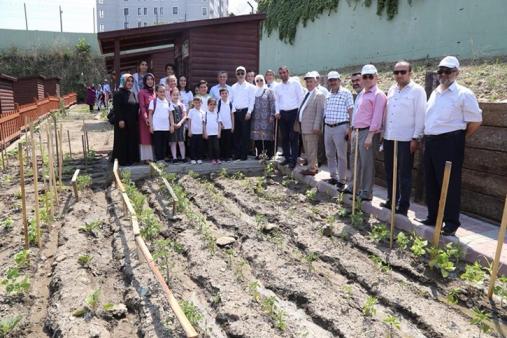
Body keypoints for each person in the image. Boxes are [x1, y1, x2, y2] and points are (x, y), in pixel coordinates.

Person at [421, 56, 482, 236]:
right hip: (431, 141)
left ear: (456, 72)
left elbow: (476, 121)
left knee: (449, 183)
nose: (443, 74)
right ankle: (433, 216)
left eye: (448, 71)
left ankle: (451, 222)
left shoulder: (464, 94)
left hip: (450, 142)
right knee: (431, 180)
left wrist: (459, 138)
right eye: (441, 71)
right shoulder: (435, 92)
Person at [381, 61, 426, 216]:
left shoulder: (417, 91)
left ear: (410, 73)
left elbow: (421, 116)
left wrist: (416, 138)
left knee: (404, 173)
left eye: (403, 72)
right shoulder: (392, 89)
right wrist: (383, 134)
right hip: (389, 137)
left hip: (406, 139)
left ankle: (403, 205)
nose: (399, 75)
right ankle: (391, 200)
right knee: (390, 171)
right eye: (396, 72)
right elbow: (388, 114)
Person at [344, 64, 386, 201]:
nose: (367, 79)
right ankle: (354, 187)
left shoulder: (378, 95)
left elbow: (377, 116)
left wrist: (370, 135)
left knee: (367, 163)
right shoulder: (362, 93)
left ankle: (366, 192)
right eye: (365, 76)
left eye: (370, 76)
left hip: (367, 132)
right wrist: (352, 129)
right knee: (355, 160)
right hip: (357, 131)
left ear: (376, 77)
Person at [323, 71, 354, 188]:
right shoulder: (327, 95)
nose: (333, 82)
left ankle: (342, 180)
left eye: (335, 80)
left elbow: (351, 111)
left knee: (341, 155)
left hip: (341, 127)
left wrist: (351, 127)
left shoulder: (346, 93)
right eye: (331, 80)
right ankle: (333, 176)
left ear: (339, 80)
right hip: (328, 127)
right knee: (329, 153)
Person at [274, 66, 305, 169]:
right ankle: (287, 158)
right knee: (284, 137)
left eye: (284, 72)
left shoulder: (295, 83)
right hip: (282, 114)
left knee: (293, 137)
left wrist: (299, 115)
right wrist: (277, 112)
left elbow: (301, 99)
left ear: (288, 72)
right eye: (281, 73)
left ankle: (293, 160)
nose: (283, 75)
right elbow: (276, 101)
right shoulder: (277, 87)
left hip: (294, 113)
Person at [298, 72, 325, 176]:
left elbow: (319, 112)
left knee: (312, 149)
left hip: (312, 128)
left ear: (316, 82)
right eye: (307, 81)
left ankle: (312, 169)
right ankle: (312, 166)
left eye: (311, 81)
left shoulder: (319, 95)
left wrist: (316, 126)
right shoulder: (307, 94)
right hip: (304, 126)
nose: (308, 83)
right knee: (308, 149)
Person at [112, 74, 140, 166]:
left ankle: (131, 159)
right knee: (123, 141)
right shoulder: (118, 93)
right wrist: (120, 120)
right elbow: (117, 108)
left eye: (132, 81)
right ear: (123, 81)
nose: (130, 83)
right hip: (122, 122)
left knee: (131, 140)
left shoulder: (132, 93)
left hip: (132, 122)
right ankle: (123, 160)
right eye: (128, 81)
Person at [231, 66, 256, 161]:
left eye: (242, 73)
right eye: (238, 73)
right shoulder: (233, 87)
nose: (240, 75)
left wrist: (249, 112)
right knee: (237, 134)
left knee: (245, 134)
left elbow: (252, 100)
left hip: (246, 112)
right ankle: (237, 154)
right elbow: (232, 100)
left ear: (245, 74)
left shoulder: (251, 87)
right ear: (236, 75)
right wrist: (233, 112)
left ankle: (244, 155)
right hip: (236, 112)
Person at [251, 74, 276, 159]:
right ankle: (260, 154)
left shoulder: (269, 91)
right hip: (256, 118)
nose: (259, 82)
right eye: (257, 80)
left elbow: (272, 103)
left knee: (267, 137)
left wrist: (272, 115)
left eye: (261, 80)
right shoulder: (254, 92)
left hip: (267, 118)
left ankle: (269, 154)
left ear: (264, 80)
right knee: (257, 137)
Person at [148, 84, 174, 162]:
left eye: (163, 91)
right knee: (158, 144)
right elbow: (150, 114)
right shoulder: (153, 102)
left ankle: (163, 158)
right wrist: (151, 126)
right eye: (160, 92)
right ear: (156, 92)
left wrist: (172, 125)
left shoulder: (168, 102)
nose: (162, 93)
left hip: (166, 128)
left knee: (164, 144)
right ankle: (159, 159)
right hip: (157, 128)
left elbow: (170, 114)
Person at [138, 73, 156, 162]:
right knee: (145, 137)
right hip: (144, 118)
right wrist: (146, 118)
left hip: (154, 118)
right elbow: (142, 107)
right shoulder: (141, 92)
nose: (150, 81)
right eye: (148, 79)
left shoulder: (154, 92)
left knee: (153, 137)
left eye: (151, 79)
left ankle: (153, 156)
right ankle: (146, 158)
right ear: (145, 81)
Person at [169, 88, 187, 162]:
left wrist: (180, 123)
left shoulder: (182, 105)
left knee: (181, 142)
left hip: (181, 125)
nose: (175, 96)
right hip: (173, 125)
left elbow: (185, 115)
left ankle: (183, 157)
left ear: (179, 96)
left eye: (177, 95)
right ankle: (174, 158)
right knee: (173, 142)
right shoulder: (170, 104)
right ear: (171, 96)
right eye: (174, 95)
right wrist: (173, 125)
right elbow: (170, 115)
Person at [217, 88, 235, 161]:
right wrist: (220, 124)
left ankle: (228, 156)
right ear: (220, 95)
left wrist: (233, 126)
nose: (224, 95)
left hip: (229, 126)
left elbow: (232, 115)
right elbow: (217, 114)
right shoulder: (218, 103)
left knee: (228, 142)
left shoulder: (230, 103)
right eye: (222, 93)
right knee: (221, 142)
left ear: (228, 94)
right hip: (221, 126)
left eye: (226, 93)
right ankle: (222, 156)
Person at [203, 98, 222, 164]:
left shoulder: (217, 113)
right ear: (208, 105)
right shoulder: (205, 113)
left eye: (214, 104)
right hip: (209, 133)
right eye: (211, 104)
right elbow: (204, 124)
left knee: (216, 147)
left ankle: (217, 158)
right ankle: (212, 159)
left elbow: (219, 124)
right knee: (210, 148)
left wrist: (219, 132)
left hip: (216, 133)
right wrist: (205, 133)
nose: (212, 106)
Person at [188, 97, 205, 164]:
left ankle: (199, 158)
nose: (197, 104)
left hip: (200, 132)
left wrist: (204, 132)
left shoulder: (203, 112)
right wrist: (189, 130)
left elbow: (203, 123)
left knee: (200, 146)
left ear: (201, 103)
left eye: (199, 103)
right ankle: (193, 158)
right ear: (193, 103)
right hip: (193, 132)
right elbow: (189, 121)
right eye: (196, 103)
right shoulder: (191, 111)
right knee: (193, 146)